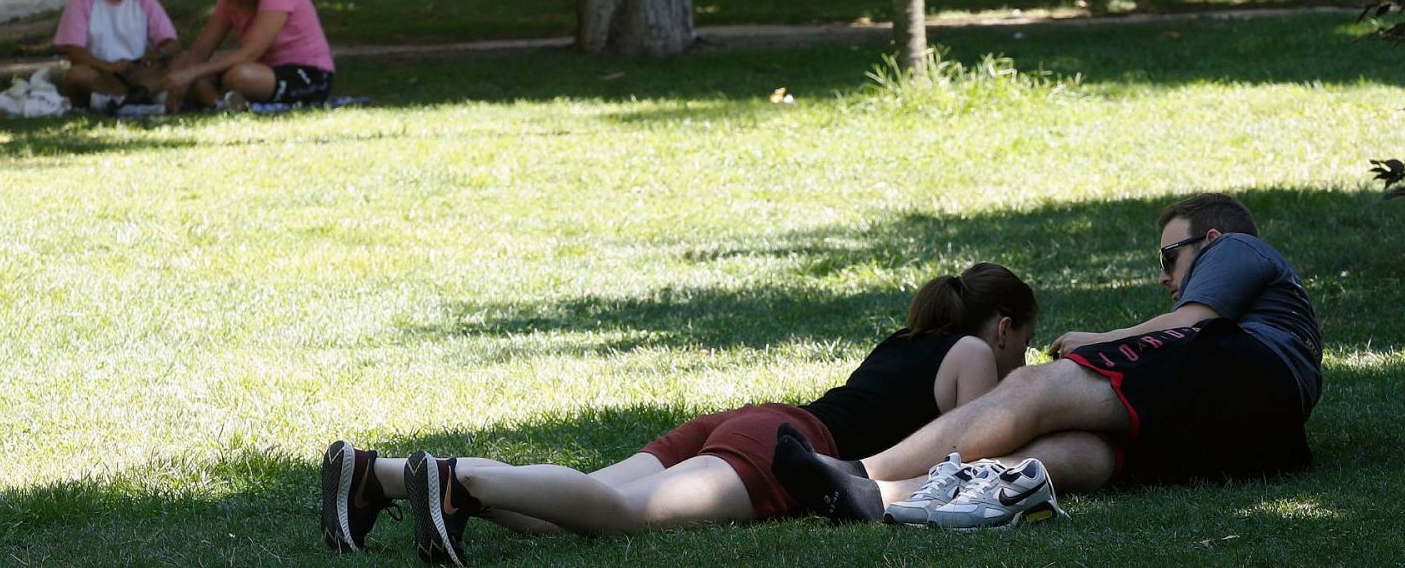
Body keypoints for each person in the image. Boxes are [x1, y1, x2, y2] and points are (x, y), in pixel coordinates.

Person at [318, 263, 1040, 564]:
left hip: (754, 423)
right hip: (786, 447)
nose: (1021, 371)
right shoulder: (978, 354)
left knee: (566, 510)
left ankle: (374, 474)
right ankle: (455, 481)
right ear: (1004, 325)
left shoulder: (912, 338)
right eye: (1025, 349)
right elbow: (966, 458)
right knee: (624, 514)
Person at [771, 193, 1322, 531]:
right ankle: (882, 499)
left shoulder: (1241, 250)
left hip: (1251, 372)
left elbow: (1190, 323)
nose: (1163, 276)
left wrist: (1097, 341)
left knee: (1037, 387)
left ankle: (861, 471)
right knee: (1081, 454)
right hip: (1266, 440)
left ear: (1213, 239)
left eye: (1168, 256)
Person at [162, 0, 334, 112]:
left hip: (306, 73)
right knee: (182, 63)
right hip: (263, 69)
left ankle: (219, 101)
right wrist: (180, 82)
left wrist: (192, 73)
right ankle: (221, 103)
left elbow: (250, 52)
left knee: (238, 76)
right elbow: (203, 47)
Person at [53, 0, 180, 110]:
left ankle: (133, 97)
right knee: (77, 75)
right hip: (100, 70)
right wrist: (109, 67)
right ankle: (133, 98)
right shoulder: (82, 0)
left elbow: (172, 43)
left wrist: (158, 54)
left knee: (183, 61)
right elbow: (75, 52)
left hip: (138, 71)